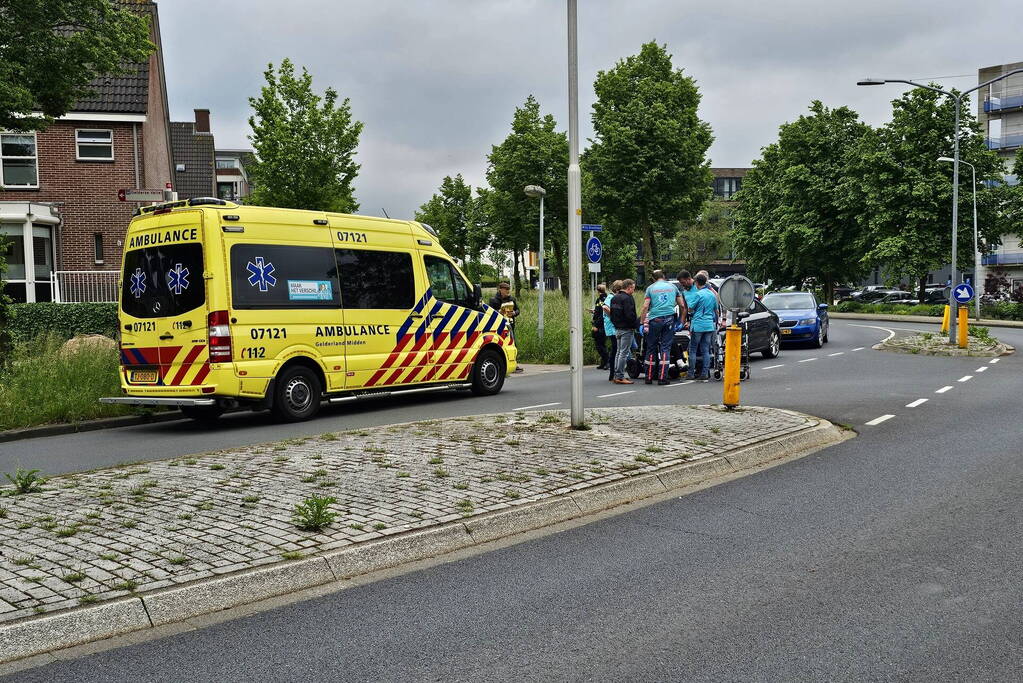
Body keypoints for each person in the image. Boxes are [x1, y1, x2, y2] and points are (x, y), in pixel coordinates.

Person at [638, 270, 687, 385]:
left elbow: (645, 307)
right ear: (663, 276)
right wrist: (680, 321)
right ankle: (662, 378)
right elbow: (682, 305)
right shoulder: (673, 287)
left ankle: (648, 377)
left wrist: (641, 323)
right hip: (669, 320)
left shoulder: (650, 288)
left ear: (654, 278)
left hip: (655, 320)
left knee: (651, 347)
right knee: (665, 348)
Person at [686, 273, 718, 381]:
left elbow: (690, 308)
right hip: (709, 325)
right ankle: (705, 373)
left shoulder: (698, 294)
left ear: (696, 282)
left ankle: (690, 373)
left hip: (698, 325)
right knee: (706, 350)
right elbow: (716, 310)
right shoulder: (712, 295)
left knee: (693, 349)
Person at [609, 279, 639, 384]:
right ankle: (620, 376)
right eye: (633, 289)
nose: (633, 291)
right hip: (627, 329)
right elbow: (630, 315)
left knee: (618, 352)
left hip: (617, 328)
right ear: (629, 287)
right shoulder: (628, 298)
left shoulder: (614, 298)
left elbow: (611, 314)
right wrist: (635, 324)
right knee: (624, 353)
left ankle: (616, 374)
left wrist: (615, 324)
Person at [489, 282, 523, 373]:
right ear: (500, 289)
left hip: (510, 326)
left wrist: (514, 313)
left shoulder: (512, 299)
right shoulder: (493, 300)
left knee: (513, 345)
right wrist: (499, 312)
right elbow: (490, 312)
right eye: (506, 289)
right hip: (498, 327)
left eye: (508, 289)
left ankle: (515, 365)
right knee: (499, 346)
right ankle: (501, 365)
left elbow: (518, 310)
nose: (508, 291)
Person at [603, 281, 622, 381]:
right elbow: (605, 307)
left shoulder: (612, 296)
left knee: (616, 350)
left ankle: (614, 372)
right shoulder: (611, 297)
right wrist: (614, 316)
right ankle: (613, 373)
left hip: (612, 327)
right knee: (615, 350)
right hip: (612, 327)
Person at [590, 283, 610, 370]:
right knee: (601, 344)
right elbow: (599, 311)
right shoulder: (604, 298)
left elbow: (602, 314)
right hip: (602, 324)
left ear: (597, 290)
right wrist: (594, 311)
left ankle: (607, 362)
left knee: (600, 345)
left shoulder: (602, 299)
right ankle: (604, 362)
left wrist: (596, 325)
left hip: (600, 325)